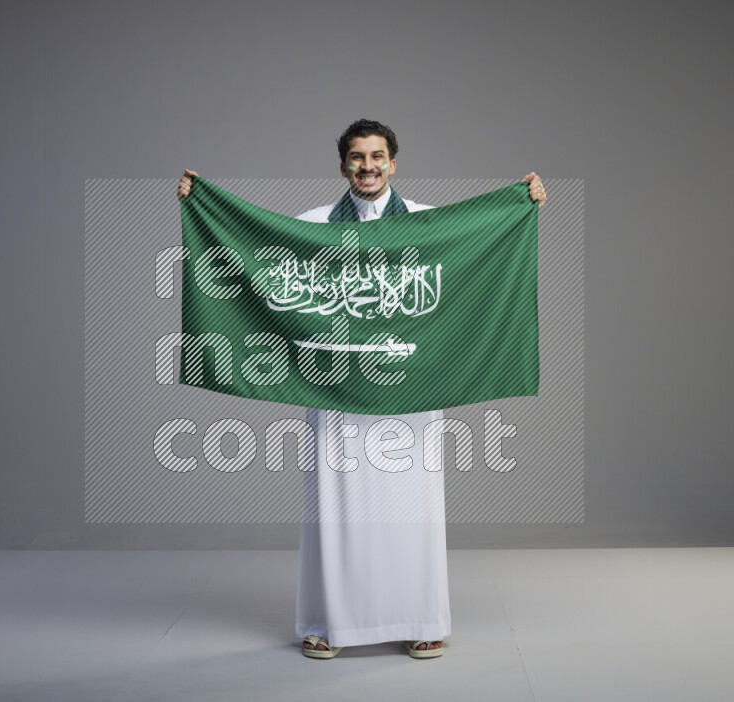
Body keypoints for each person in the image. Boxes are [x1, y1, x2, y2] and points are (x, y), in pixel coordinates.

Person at [177, 119, 547, 659]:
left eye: (378, 156)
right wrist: (201, 204)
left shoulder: (426, 224)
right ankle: (330, 624)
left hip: (409, 393)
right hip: (336, 392)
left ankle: (421, 618)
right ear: (343, 165)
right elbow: (253, 251)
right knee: (334, 507)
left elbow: (479, 242)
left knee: (412, 506)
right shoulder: (315, 226)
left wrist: (524, 203)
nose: (368, 166)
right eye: (357, 157)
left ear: (393, 163)